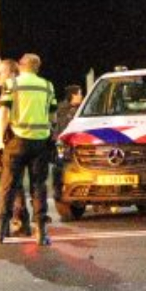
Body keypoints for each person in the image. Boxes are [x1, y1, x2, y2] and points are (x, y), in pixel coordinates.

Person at [0, 53, 57, 245]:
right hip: (40, 142)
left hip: (17, 141)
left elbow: (3, 113)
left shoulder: (11, 84)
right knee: (39, 186)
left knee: (9, 184)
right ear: (37, 68)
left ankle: (2, 229)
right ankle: (41, 231)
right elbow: (53, 117)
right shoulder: (48, 86)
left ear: (21, 66)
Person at [0, 58, 31, 235]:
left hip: (10, 141)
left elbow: (0, 116)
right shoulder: (24, 89)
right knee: (17, 184)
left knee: (8, 185)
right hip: (26, 139)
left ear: (11, 73)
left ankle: (6, 223)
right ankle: (23, 221)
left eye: (1, 72)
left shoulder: (7, 89)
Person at [50, 83, 84, 212]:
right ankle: (58, 191)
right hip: (62, 144)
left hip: (75, 144)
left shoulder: (80, 108)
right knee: (60, 165)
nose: (82, 96)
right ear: (73, 95)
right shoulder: (62, 110)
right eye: (80, 93)